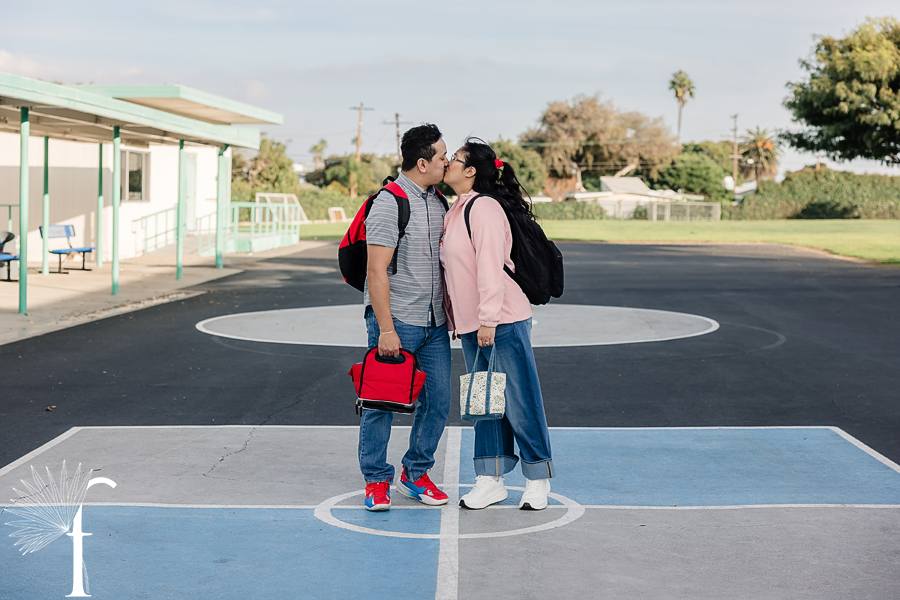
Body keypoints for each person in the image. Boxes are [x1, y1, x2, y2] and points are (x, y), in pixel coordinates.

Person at [441, 137, 554, 510]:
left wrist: (487, 320)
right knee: (485, 402)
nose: (448, 163)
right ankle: (490, 480)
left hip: (501, 320)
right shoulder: (455, 210)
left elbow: (490, 267)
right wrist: (461, 320)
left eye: (455, 158)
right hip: (474, 325)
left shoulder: (484, 207)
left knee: (520, 401)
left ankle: (537, 479)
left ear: (471, 171)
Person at [360, 123, 452, 511]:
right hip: (397, 322)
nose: (447, 162)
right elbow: (376, 271)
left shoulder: (438, 201)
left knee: (439, 401)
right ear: (422, 163)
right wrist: (385, 329)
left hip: (434, 325)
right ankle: (376, 479)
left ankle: (415, 473)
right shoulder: (389, 203)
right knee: (381, 403)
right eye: (442, 156)